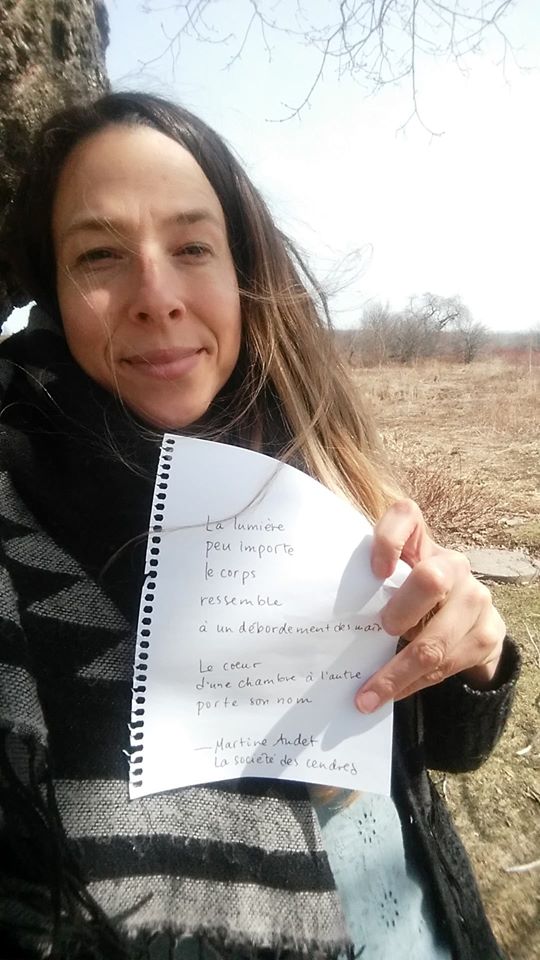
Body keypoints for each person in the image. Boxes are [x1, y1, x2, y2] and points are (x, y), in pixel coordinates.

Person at [0, 92, 519, 960]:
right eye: (99, 254)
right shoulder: (16, 519)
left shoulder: (323, 460)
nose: (157, 297)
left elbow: (440, 757)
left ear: (242, 270)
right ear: (53, 289)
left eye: (192, 247)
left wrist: (472, 658)